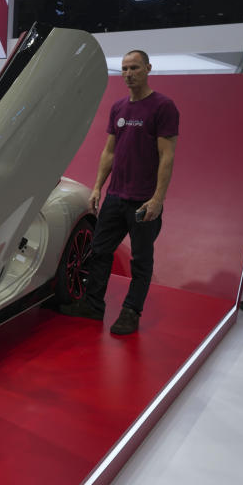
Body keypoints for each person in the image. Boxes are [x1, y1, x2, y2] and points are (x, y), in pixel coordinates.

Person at [59, 49, 179, 335]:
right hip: (115, 197)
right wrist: (98, 186)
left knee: (140, 260)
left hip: (143, 201)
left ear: (148, 68)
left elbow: (167, 157)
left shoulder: (163, 107)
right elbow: (109, 152)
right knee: (99, 251)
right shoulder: (119, 108)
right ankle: (92, 305)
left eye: (135, 68)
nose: (128, 74)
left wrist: (158, 199)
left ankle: (130, 312)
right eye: (125, 68)